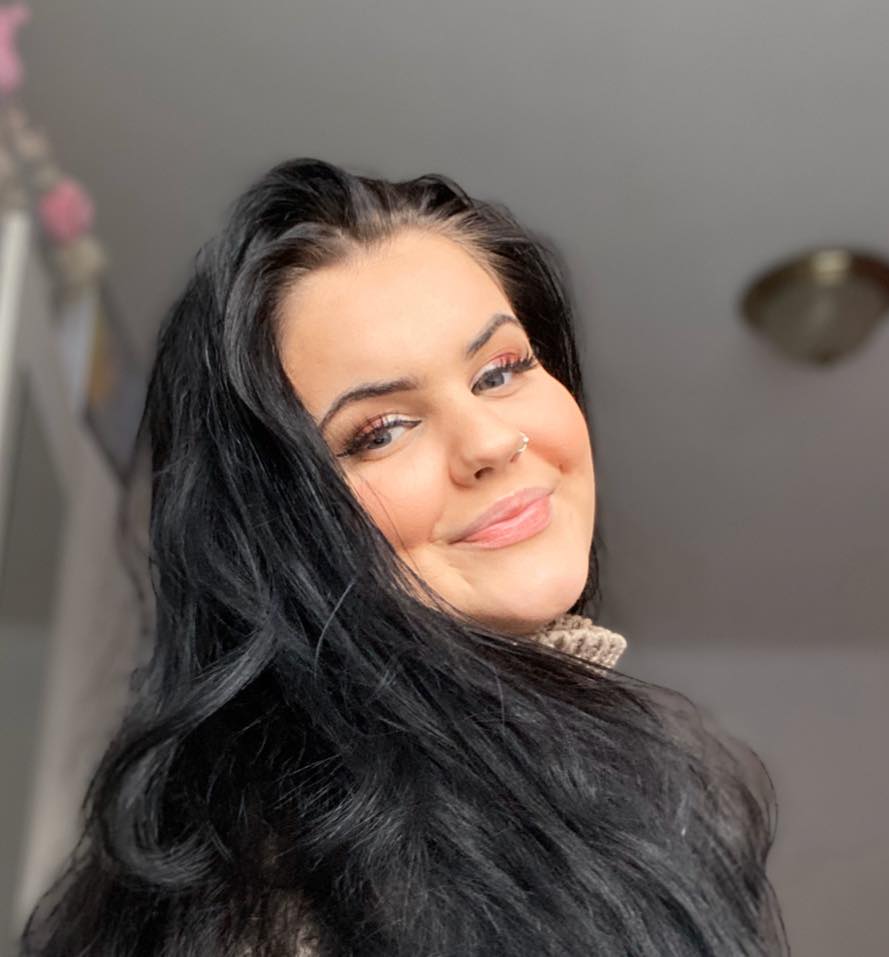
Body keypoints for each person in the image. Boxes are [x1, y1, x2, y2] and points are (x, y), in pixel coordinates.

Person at [19, 158, 788, 956]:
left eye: (500, 370)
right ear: (279, 526)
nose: (489, 441)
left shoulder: (600, 782)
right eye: (381, 430)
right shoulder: (287, 898)